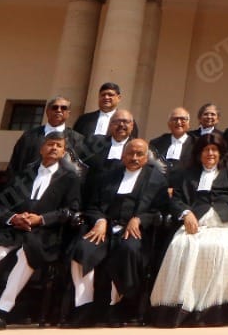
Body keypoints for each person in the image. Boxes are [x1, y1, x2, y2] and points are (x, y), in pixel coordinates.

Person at [0, 132, 81, 333]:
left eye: (58, 145)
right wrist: (14, 218)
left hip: (44, 234)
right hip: (14, 230)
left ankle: (2, 311)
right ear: (41, 149)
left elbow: (71, 210)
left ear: (63, 152)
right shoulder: (23, 175)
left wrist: (41, 219)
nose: (54, 148)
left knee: (26, 253)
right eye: (50, 144)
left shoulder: (69, 178)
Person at [151, 132, 228, 325]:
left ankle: (210, 310)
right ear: (199, 153)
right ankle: (180, 306)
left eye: (214, 150)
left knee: (221, 249)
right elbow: (176, 200)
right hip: (196, 221)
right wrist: (185, 213)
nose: (210, 154)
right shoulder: (187, 173)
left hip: (225, 224)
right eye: (206, 150)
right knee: (180, 246)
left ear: (220, 153)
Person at [69, 138, 170, 328]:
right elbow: (92, 205)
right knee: (82, 249)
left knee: (126, 250)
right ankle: (84, 306)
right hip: (105, 229)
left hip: (133, 231)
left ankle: (117, 307)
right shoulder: (108, 176)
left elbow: (160, 211)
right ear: (123, 155)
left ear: (146, 158)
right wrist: (100, 220)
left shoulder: (156, 179)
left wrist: (139, 219)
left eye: (139, 154)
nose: (134, 157)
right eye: (130, 153)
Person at [5, 96, 88, 183]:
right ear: (47, 111)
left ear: (68, 113)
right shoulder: (29, 136)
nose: (59, 110)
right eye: (55, 107)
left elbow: (79, 170)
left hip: (60, 188)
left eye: (63, 108)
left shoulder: (77, 139)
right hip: (28, 186)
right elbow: (14, 166)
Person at [74, 82, 138, 140]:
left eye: (110, 95)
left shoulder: (127, 121)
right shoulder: (84, 119)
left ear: (119, 98)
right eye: (103, 95)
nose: (106, 97)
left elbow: (131, 143)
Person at [150, 107, 196, 173]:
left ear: (188, 124)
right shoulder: (157, 143)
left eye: (182, 119)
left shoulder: (196, 144)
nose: (178, 122)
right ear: (169, 124)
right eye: (175, 119)